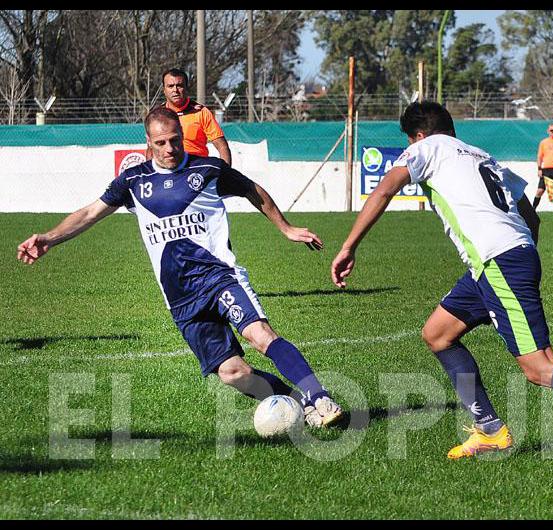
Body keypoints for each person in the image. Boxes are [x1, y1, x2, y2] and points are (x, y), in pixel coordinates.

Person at [330, 101, 553, 467]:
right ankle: (489, 429)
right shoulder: (480, 155)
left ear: (420, 136)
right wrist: (523, 255)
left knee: (539, 366)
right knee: (437, 334)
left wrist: (349, 246)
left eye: (411, 140)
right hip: (497, 262)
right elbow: (528, 211)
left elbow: (383, 190)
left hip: (499, 262)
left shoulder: (425, 149)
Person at [17, 107, 342, 428]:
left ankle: (319, 397)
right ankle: (301, 406)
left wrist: (285, 228)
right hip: (182, 301)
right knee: (232, 373)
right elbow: (89, 213)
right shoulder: (133, 180)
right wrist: (49, 237)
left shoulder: (209, 170)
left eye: (175, 140)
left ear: (182, 136)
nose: (169, 149)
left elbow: (251, 190)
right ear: (148, 141)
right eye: (161, 143)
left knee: (261, 336)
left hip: (220, 279)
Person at [146, 68, 232, 166]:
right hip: (168, 170)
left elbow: (222, 146)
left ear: (186, 88)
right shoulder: (156, 115)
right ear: (164, 90)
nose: (175, 90)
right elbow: (150, 149)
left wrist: (226, 175)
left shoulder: (201, 112)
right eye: (170, 86)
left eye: (179, 86)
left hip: (196, 170)